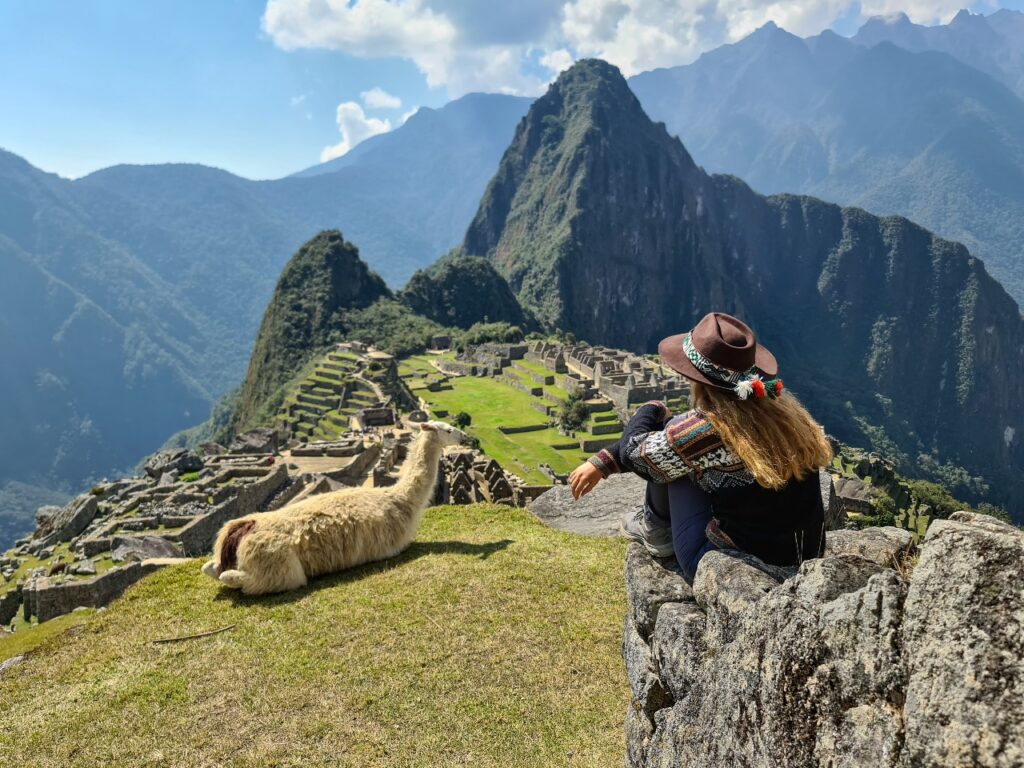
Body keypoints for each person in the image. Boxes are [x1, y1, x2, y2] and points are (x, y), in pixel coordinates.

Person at [568, 312, 832, 583]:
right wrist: (603, 461)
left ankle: (655, 529)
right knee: (677, 441)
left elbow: (635, 454)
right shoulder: (785, 416)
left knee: (671, 453)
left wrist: (652, 408)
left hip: (725, 563)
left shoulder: (712, 429)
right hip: (802, 555)